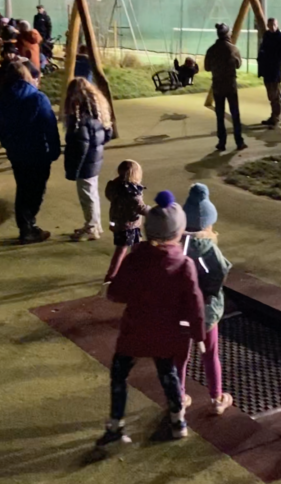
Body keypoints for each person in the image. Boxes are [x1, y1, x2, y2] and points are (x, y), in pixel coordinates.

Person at [98, 190, 206, 446]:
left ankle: (115, 424)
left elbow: (117, 292)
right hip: (166, 331)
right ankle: (178, 421)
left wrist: (111, 291)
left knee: (120, 374)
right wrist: (198, 334)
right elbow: (195, 303)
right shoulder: (184, 264)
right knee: (168, 373)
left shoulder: (135, 259)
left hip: (135, 328)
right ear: (177, 232)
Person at [177, 183, 234, 415]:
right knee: (210, 354)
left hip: (179, 312)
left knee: (179, 356)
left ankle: (179, 396)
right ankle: (217, 397)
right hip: (205, 312)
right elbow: (221, 271)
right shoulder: (208, 248)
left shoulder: (175, 246)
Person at [0, 61, 61, 244]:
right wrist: (55, 150)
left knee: (23, 188)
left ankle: (26, 225)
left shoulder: (2, 99)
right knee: (36, 189)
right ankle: (28, 225)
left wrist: (8, 144)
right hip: (38, 151)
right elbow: (49, 125)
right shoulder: (38, 98)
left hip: (17, 152)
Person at [63, 77, 113, 242]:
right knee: (92, 194)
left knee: (87, 196)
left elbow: (79, 148)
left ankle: (92, 227)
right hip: (94, 160)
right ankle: (95, 224)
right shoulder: (98, 116)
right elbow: (108, 134)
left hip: (85, 165)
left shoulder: (80, 122)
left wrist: (72, 170)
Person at [104, 160, 150, 284]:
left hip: (117, 222)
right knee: (123, 249)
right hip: (130, 225)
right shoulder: (133, 193)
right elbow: (140, 208)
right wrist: (155, 211)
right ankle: (112, 275)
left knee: (133, 246)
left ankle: (133, 269)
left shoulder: (114, 186)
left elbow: (109, 196)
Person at [204, 23, 245, 152]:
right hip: (230, 85)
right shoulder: (233, 49)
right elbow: (238, 65)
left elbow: (207, 67)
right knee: (235, 114)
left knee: (219, 115)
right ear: (228, 34)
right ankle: (239, 141)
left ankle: (222, 142)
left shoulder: (211, 50)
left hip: (217, 86)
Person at [258, 17, 281, 128]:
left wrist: (268, 55)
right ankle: (275, 115)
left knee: (276, 95)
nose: (272, 27)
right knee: (271, 96)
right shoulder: (266, 36)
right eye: (270, 25)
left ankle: (276, 118)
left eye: (274, 24)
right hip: (267, 71)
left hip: (274, 71)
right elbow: (262, 50)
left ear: (277, 24)